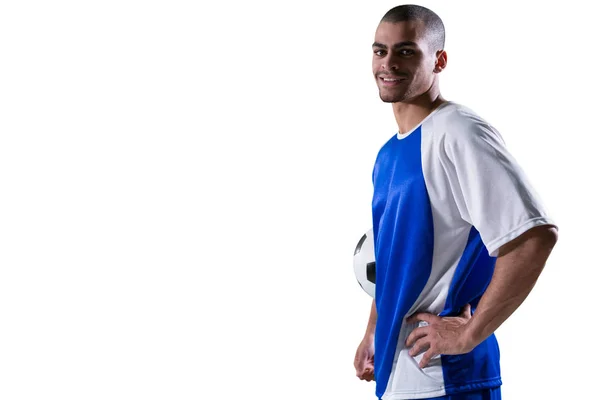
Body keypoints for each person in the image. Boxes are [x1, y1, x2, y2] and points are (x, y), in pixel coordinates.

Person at [353, 4, 559, 400]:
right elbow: (393, 257)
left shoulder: (457, 131)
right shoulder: (387, 155)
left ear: (439, 59)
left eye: (407, 51)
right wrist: (373, 332)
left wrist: (469, 332)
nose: (389, 63)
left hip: (447, 380)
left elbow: (533, 237)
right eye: (380, 51)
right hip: (399, 375)